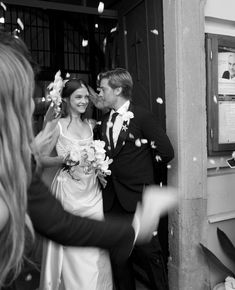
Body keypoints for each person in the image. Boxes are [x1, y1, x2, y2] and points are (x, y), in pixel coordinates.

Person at [0, 30, 177, 289]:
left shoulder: (102, 123)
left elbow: (63, 225)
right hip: (77, 192)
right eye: (24, 97)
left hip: (100, 194)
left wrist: (142, 205)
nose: (30, 106)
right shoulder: (78, 125)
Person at [94, 68, 174, 290]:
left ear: (118, 89)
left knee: (150, 255)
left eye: (103, 89)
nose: (99, 93)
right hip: (111, 200)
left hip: (139, 198)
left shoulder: (142, 116)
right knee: (120, 259)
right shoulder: (103, 122)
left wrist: (143, 177)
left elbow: (166, 152)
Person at [39, 77, 113, 290]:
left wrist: (99, 169)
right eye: (78, 97)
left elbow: (95, 156)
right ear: (66, 99)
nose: (83, 101)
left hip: (92, 192)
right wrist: (63, 160)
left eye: (86, 97)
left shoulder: (91, 125)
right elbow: (41, 159)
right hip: (69, 194)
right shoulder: (57, 127)